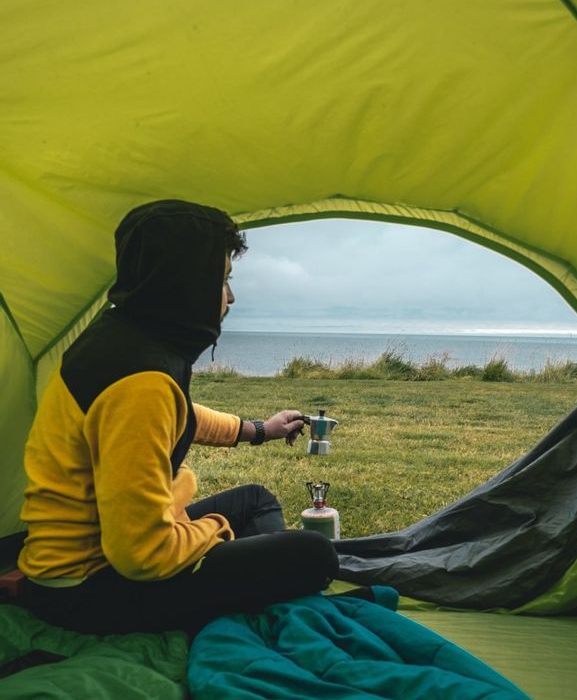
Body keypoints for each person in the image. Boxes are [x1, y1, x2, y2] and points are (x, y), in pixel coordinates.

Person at [18, 199, 339, 636]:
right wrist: (214, 531)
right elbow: (141, 555)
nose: (230, 296)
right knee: (313, 555)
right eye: (223, 279)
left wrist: (260, 430)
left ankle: (250, 574)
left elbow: (180, 415)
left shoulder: (120, 337)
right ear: (186, 282)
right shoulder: (140, 382)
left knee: (256, 499)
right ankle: (257, 589)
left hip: (94, 565)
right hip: (88, 589)